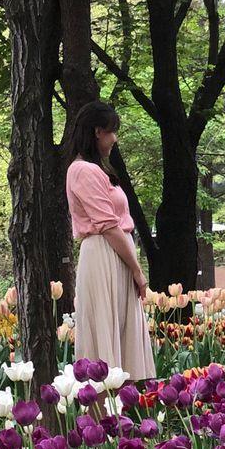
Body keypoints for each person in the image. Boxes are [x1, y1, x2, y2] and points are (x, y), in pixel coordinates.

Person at [65, 101, 155, 381]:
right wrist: (138, 272)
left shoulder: (97, 170)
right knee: (106, 334)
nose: (115, 139)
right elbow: (108, 226)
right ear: (97, 132)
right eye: (112, 132)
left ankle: (120, 414)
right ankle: (102, 416)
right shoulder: (83, 171)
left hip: (114, 254)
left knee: (120, 332)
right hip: (105, 255)